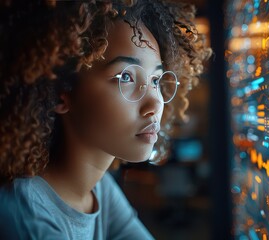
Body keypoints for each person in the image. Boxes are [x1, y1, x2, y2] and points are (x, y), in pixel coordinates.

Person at [0, 0, 211, 239]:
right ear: (59, 92)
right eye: (126, 77)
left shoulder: (100, 190)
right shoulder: (23, 213)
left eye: (155, 80)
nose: (154, 104)